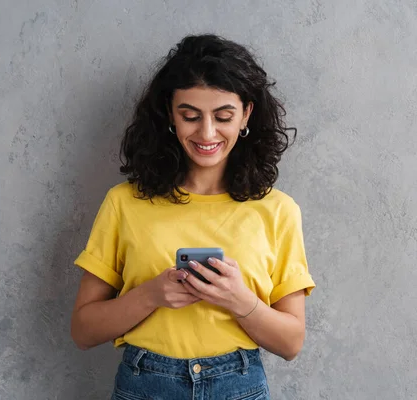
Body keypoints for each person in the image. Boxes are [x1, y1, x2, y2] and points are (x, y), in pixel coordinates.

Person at [70, 34, 316, 399]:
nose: (207, 133)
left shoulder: (277, 210)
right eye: (190, 116)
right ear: (170, 113)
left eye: (223, 116)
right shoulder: (124, 203)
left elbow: (291, 343)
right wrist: (151, 295)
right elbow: (83, 331)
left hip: (238, 385)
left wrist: (238, 299)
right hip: (145, 385)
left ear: (246, 114)